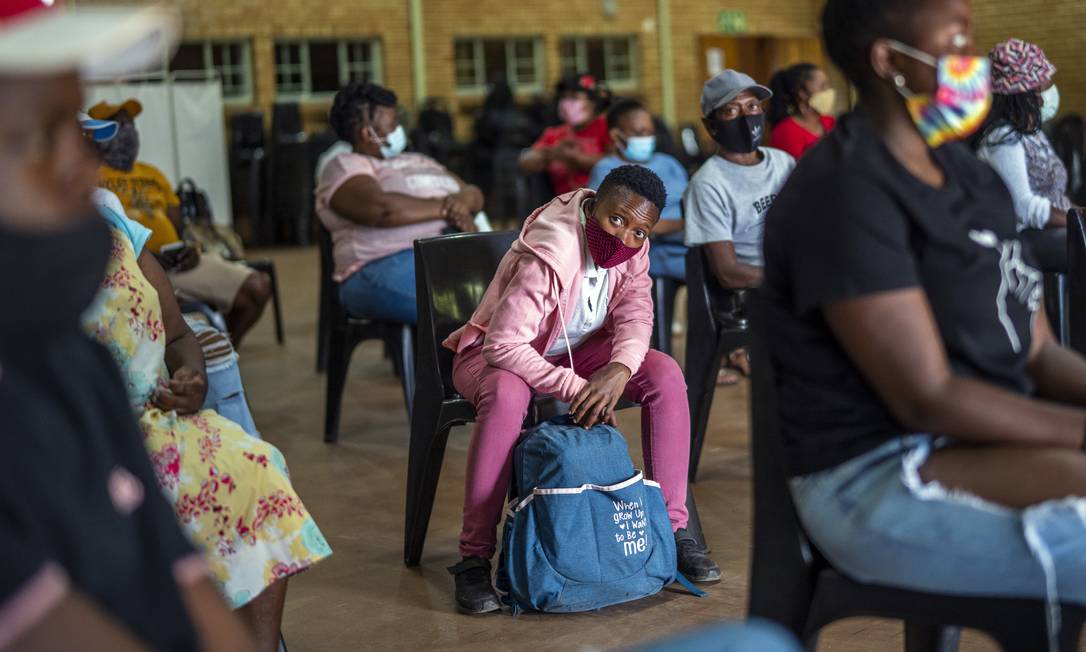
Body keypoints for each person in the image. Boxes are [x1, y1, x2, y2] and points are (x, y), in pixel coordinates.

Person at [765, 0, 1086, 632]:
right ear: (890, 61)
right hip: (873, 475)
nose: (975, 59)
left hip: (974, 439)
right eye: (956, 38)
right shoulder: (844, 190)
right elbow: (927, 398)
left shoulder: (971, 178)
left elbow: (1038, 352)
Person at [0, 3, 255, 650]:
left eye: (78, 132)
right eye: (34, 138)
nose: (81, 172)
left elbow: (176, 574)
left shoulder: (74, 366)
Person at [443, 165, 720, 615]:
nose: (625, 238)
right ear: (594, 206)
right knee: (509, 397)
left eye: (638, 231)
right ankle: (474, 558)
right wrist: (576, 388)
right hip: (496, 354)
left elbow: (636, 313)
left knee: (664, 373)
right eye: (617, 220)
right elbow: (504, 344)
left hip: (573, 350)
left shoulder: (635, 249)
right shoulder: (551, 250)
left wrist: (618, 367)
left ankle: (670, 534)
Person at [90, 99, 271, 347]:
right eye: (119, 124)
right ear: (96, 132)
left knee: (258, 287)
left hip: (178, 266)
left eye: (131, 124)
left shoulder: (152, 174)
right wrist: (146, 256)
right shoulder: (89, 179)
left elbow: (180, 229)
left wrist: (189, 249)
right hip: (135, 271)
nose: (129, 131)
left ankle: (224, 350)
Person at [315, 81, 483, 324]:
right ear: (366, 132)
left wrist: (463, 200)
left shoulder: (419, 160)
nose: (399, 131)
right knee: (469, 307)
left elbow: (473, 193)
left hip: (451, 255)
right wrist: (451, 207)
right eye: (392, 125)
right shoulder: (344, 165)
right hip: (380, 265)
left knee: (524, 292)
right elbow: (382, 209)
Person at [684, 70, 795, 382]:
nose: (746, 117)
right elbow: (728, 273)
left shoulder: (783, 163)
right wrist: (790, 277)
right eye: (732, 110)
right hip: (753, 292)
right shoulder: (708, 184)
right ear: (711, 125)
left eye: (753, 107)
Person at [974, 39, 1076, 272]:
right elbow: (1023, 207)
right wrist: (1076, 218)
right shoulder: (1003, 138)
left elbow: (1056, 197)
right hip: (1026, 239)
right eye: (1043, 86)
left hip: (1055, 231)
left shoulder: (1033, 133)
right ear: (1026, 94)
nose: (1047, 95)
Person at [588, 99, 689, 282]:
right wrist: (681, 225)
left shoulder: (670, 163)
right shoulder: (607, 169)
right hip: (649, 251)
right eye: (640, 133)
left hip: (689, 241)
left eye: (650, 133)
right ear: (617, 136)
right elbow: (611, 226)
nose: (647, 139)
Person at [519, 72, 612, 195]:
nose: (566, 103)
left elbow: (616, 163)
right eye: (563, 97)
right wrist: (552, 153)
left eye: (574, 97)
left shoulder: (608, 128)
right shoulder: (555, 133)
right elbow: (525, 163)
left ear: (593, 102)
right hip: (564, 207)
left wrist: (577, 158)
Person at [767, 63, 838, 159]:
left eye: (828, 85)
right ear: (802, 93)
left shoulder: (831, 122)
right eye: (822, 86)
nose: (829, 91)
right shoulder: (785, 132)